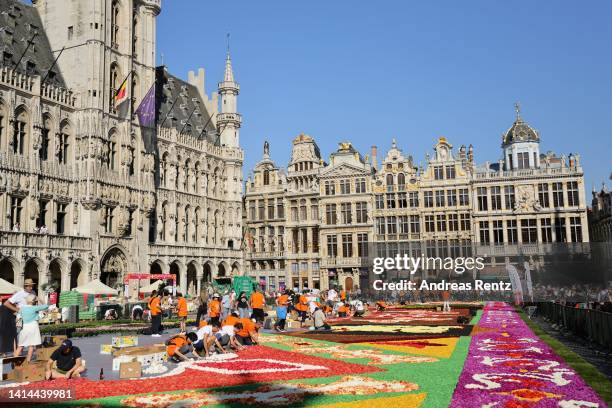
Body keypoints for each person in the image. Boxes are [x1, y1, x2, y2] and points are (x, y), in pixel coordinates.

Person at [0, 278, 37, 356]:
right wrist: (17, 310)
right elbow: (6, 303)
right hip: (20, 317)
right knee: (19, 333)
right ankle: (17, 352)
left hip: (29, 317)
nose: (31, 288)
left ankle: (25, 352)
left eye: (32, 286)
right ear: (25, 286)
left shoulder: (33, 293)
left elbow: (34, 304)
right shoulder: (19, 294)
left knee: (29, 333)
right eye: (29, 286)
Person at [15, 295, 49, 362]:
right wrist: (39, 299)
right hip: (33, 326)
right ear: (33, 301)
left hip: (25, 327)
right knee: (31, 345)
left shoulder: (22, 308)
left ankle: (14, 360)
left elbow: (18, 317)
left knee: (21, 345)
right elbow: (46, 306)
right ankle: (28, 362)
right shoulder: (34, 308)